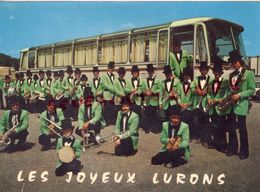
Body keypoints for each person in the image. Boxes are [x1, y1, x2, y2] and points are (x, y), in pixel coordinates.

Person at [225, 50, 256, 159]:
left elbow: (252, 90)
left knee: (242, 129)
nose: (233, 64)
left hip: (241, 105)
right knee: (231, 128)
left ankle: (244, 151)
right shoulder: (231, 75)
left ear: (239, 61)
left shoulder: (249, 73)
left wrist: (240, 95)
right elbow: (230, 90)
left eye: (235, 61)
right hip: (231, 106)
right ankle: (233, 149)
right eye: (232, 62)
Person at [206, 63, 229, 153]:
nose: (217, 73)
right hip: (212, 108)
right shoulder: (210, 82)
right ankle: (216, 143)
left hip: (220, 108)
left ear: (221, 73)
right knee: (214, 126)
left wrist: (220, 99)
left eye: (218, 72)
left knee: (222, 127)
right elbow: (208, 94)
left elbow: (227, 93)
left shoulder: (226, 82)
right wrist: (209, 99)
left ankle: (223, 145)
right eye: (215, 72)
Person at [192, 61, 211, 145]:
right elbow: (191, 88)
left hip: (206, 103)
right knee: (198, 121)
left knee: (206, 121)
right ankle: (199, 137)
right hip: (198, 103)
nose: (204, 71)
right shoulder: (196, 79)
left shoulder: (211, 79)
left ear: (207, 70)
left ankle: (206, 139)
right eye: (202, 70)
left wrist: (207, 90)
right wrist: (197, 90)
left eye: (205, 70)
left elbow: (213, 90)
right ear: (200, 70)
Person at [142, 64, 161, 133]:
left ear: (153, 72)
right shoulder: (144, 81)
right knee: (147, 115)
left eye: (151, 71)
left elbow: (160, 90)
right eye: (149, 71)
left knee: (154, 115)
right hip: (147, 101)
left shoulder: (157, 81)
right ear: (148, 72)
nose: (150, 72)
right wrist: (145, 92)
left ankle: (154, 128)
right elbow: (142, 89)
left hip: (154, 100)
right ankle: (147, 128)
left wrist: (153, 92)